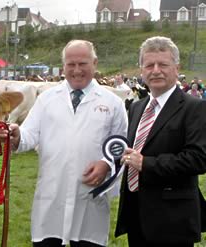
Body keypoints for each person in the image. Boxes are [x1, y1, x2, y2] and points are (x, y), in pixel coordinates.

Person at [8, 40, 128, 246]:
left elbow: (121, 146)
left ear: (95, 63)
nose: (76, 70)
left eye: (83, 64)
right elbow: (29, 135)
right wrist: (17, 135)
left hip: (90, 195)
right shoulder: (46, 99)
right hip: (52, 196)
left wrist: (106, 164)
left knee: (88, 239)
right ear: (63, 66)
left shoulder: (112, 103)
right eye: (71, 65)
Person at [115, 36, 206, 247]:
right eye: (149, 65)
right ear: (141, 70)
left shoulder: (195, 108)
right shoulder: (137, 107)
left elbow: (198, 159)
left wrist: (145, 163)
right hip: (136, 214)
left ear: (177, 68)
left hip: (172, 220)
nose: (156, 70)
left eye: (163, 64)